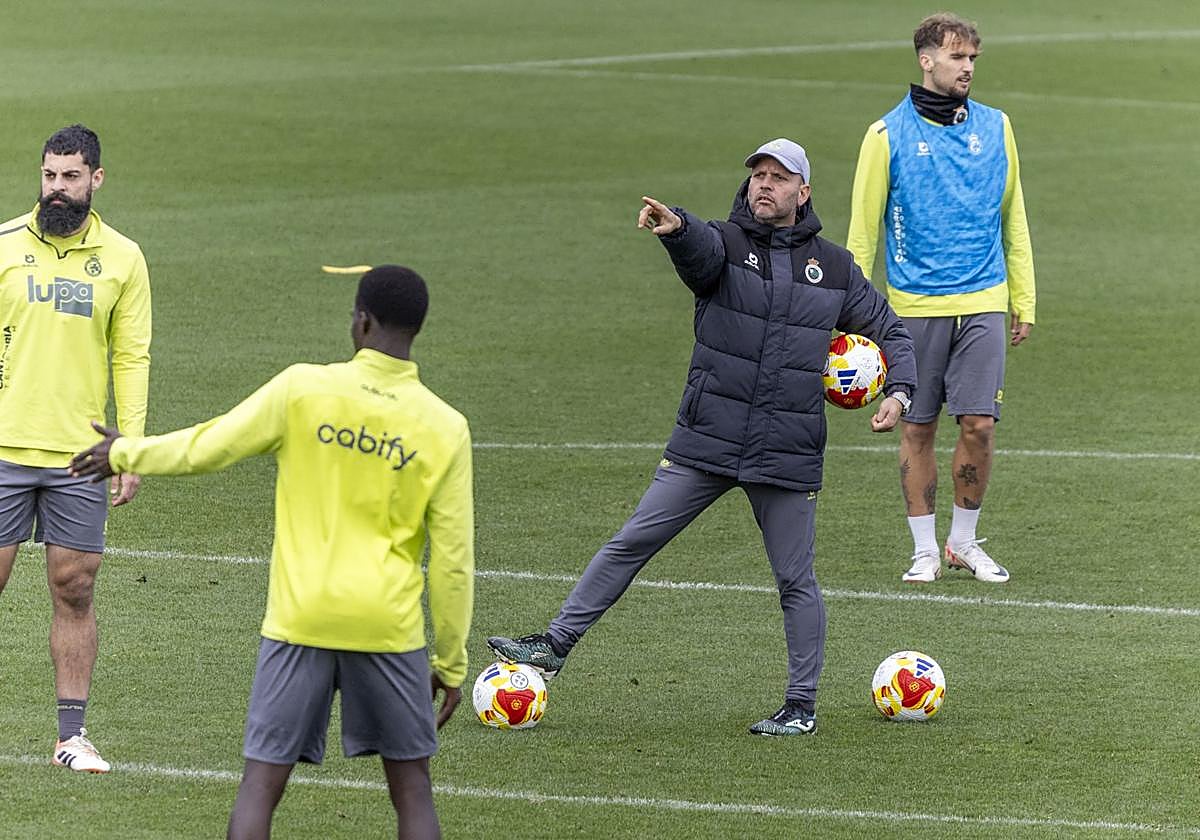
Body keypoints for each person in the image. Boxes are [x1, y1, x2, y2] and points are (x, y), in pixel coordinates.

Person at [489, 139, 916, 736]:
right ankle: (553, 646)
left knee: (795, 578)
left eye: (778, 177)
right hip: (709, 438)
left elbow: (890, 331)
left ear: (804, 191)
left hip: (785, 449)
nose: (764, 185)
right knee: (633, 540)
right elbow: (700, 250)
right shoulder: (727, 246)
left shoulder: (836, 268)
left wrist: (899, 392)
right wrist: (676, 228)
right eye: (757, 176)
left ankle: (801, 705)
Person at [70, 265, 474, 840]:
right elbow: (454, 561)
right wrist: (451, 664)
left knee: (261, 787)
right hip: (389, 627)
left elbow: (211, 445)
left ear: (361, 322)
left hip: (300, 620)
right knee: (412, 792)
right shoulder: (445, 426)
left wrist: (127, 451)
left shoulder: (303, 388)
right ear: (417, 330)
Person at [846, 12, 1036, 585]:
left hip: (984, 297)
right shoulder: (885, 135)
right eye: (958, 57)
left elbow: (1014, 217)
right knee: (919, 428)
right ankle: (924, 548)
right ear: (926, 60)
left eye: (973, 58)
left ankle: (963, 542)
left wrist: (1023, 297)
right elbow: (863, 230)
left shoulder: (997, 127)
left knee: (979, 424)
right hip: (913, 305)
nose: (968, 67)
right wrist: (854, 315)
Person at [0, 124, 152, 773]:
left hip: (80, 455)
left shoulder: (124, 258)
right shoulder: (4, 244)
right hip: (4, 448)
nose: (56, 189)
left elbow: (132, 354)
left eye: (69, 177)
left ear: (96, 179)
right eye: (48, 175)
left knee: (75, 586)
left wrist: (133, 446)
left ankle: (71, 736)